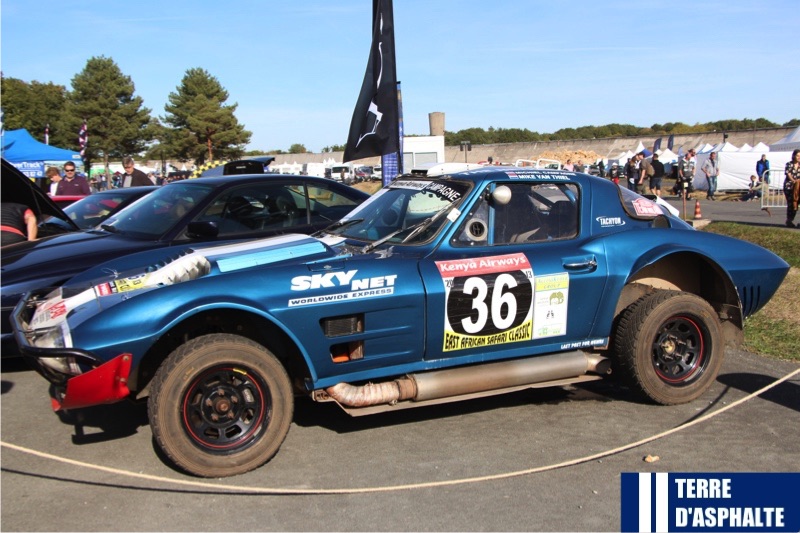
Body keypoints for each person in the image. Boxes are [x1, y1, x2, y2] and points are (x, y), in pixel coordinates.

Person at [783, 149, 800, 228]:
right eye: (797, 156)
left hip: (798, 187)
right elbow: (788, 174)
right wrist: (793, 181)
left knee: (797, 203)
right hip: (789, 186)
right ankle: (789, 220)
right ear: (794, 156)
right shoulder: (789, 164)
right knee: (791, 204)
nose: (799, 157)